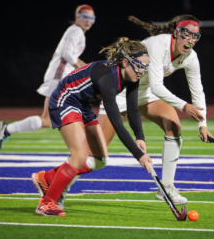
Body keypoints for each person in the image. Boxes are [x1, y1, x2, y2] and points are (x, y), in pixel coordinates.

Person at [95, 15, 213, 205]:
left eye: (195, 36)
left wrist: (203, 124)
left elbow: (198, 91)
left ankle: (166, 187)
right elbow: (158, 86)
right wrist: (184, 106)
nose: (190, 40)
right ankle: (54, 185)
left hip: (145, 91)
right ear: (176, 33)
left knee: (173, 125)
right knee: (96, 154)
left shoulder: (191, 57)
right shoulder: (159, 44)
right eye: (186, 34)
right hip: (120, 90)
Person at [31, 37, 153, 216]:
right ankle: (47, 202)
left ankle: (47, 178)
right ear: (125, 62)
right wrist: (138, 154)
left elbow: (133, 109)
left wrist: (140, 137)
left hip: (83, 104)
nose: (142, 71)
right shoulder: (107, 78)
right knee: (79, 156)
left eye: (145, 67)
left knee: (99, 160)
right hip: (65, 100)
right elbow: (116, 122)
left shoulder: (132, 76)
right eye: (140, 65)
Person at [0, 4, 96, 149]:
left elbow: (72, 56)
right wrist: (82, 69)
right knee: (68, 113)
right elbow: (67, 54)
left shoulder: (76, 31)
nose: (88, 21)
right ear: (77, 18)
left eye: (91, 18)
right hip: (59, 77)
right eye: (85, 17)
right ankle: (82, 148)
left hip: (59, 76)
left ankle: (7, 129)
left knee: (49, 120)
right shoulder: (76, 32)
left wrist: (84, 67)